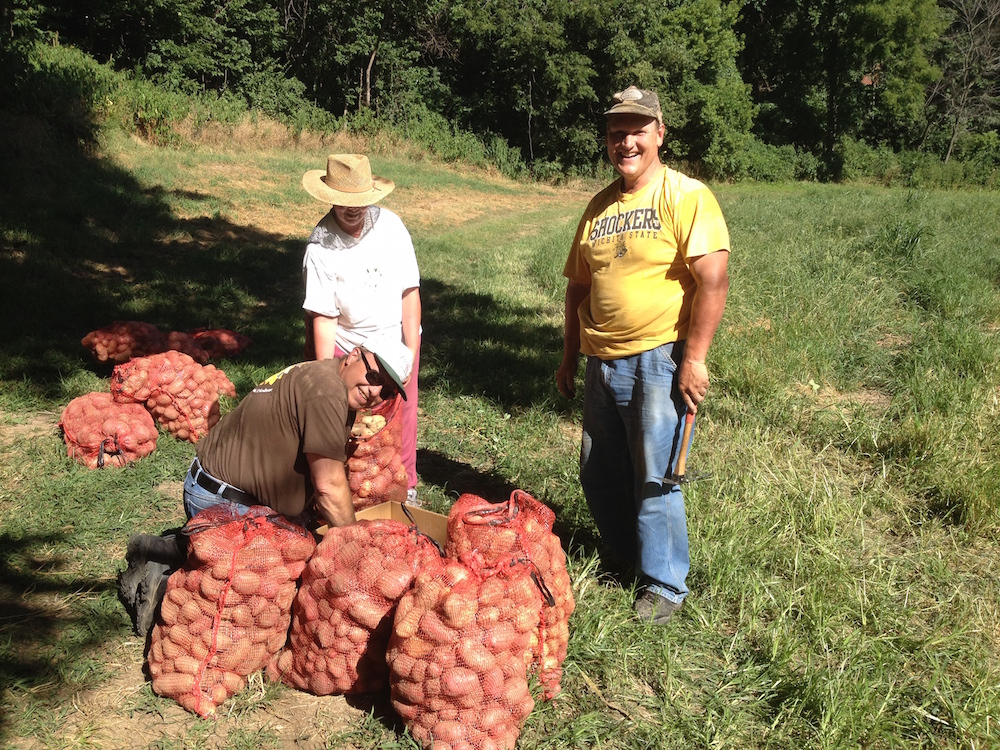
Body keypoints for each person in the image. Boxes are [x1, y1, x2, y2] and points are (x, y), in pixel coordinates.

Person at [556, 85, 731, 625]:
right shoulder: (600, 205)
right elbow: (577, 290)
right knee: (598, 469)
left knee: (654, 474)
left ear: (660, 134)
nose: (625, 141)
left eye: (637, 130)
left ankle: (664, 586)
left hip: (658, 359)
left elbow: (714, 279)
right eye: (615, 133)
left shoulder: (687, 196)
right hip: (599, 361)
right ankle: (626, 557)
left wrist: (695, 358)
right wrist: (569, 356)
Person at [118, 335, 413, 637]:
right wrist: (353, 549)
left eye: (387, 390)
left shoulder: (324, 373)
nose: (375, 392)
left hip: (219, 486)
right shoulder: (327, 393)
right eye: (374, 376)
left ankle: (172, 548)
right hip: (221, 499)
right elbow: (328, 486)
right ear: (353, 356)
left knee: (300, 559)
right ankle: (170, 583)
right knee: (265, 595)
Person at [300, 153, 423, 506]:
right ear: (330, 198)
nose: (351, 209)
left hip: (396, 339)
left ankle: (404, 485)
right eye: (343, 202)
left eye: (359, 202)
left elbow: (409, 293)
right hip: (348, 344)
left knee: (402, 410)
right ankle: (346, 491)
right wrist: (328, 376)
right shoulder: (320, 247)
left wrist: (410, 351)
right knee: (346, 421)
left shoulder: (393, 228)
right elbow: (323, 318)